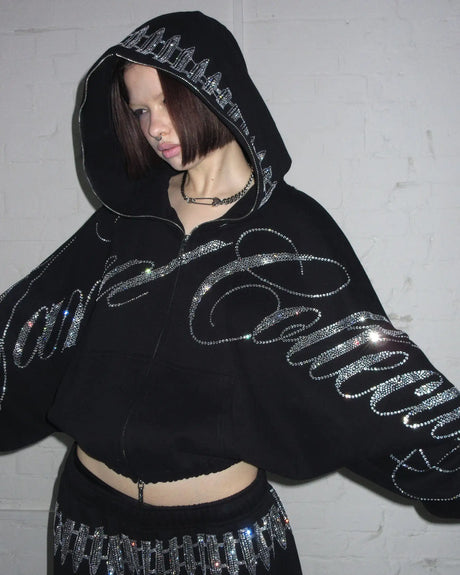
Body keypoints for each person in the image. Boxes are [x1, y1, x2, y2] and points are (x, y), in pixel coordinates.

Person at [0, 10, 459, 575]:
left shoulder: (292, 231)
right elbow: (22, 331)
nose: (154, 127)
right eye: (140, 110)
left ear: (214, 90)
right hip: (89, 529)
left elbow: (374, 372)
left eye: (167, 102)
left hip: (222, 541)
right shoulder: (122, 221)